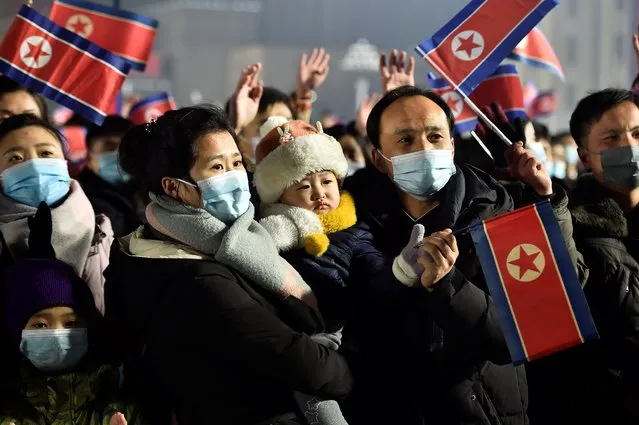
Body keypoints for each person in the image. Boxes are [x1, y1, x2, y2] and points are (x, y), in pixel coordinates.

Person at [103, 105, 353, 425]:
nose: (235, 176)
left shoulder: (212, 239)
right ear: (173, 187)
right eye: (217, 167)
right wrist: (347, 370)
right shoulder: (198, 276)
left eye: (237, 162)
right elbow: (304, 365)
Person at [346, 84, 573, 425]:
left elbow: (529, 332)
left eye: (435, 136)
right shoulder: (354, 224)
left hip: (484, 412)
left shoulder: (498, 210)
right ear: (379, 158)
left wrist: (448, 285)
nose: (423, 149)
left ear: (452, 145)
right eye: (405, 140)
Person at [0, 204, 144, 425]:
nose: (58, 334)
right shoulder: (8, 410)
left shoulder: (119, 408)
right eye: (40, 325)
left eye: (70, 323)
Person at [564, 88, 639, 425]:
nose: (630, 148)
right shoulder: (569, 223)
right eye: (611, 138)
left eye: (637, 134)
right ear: (584, 156)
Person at [0, 114, 113, 313]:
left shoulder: (102, 234)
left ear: (65, 163)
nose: (34, 165)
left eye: (45, 153)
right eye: (15, 158)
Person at [77, 116, 141, 237]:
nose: (118, 153)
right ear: (88, 158)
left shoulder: (152, 194)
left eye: (126, 147)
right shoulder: (78, 201)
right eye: (109, 145)